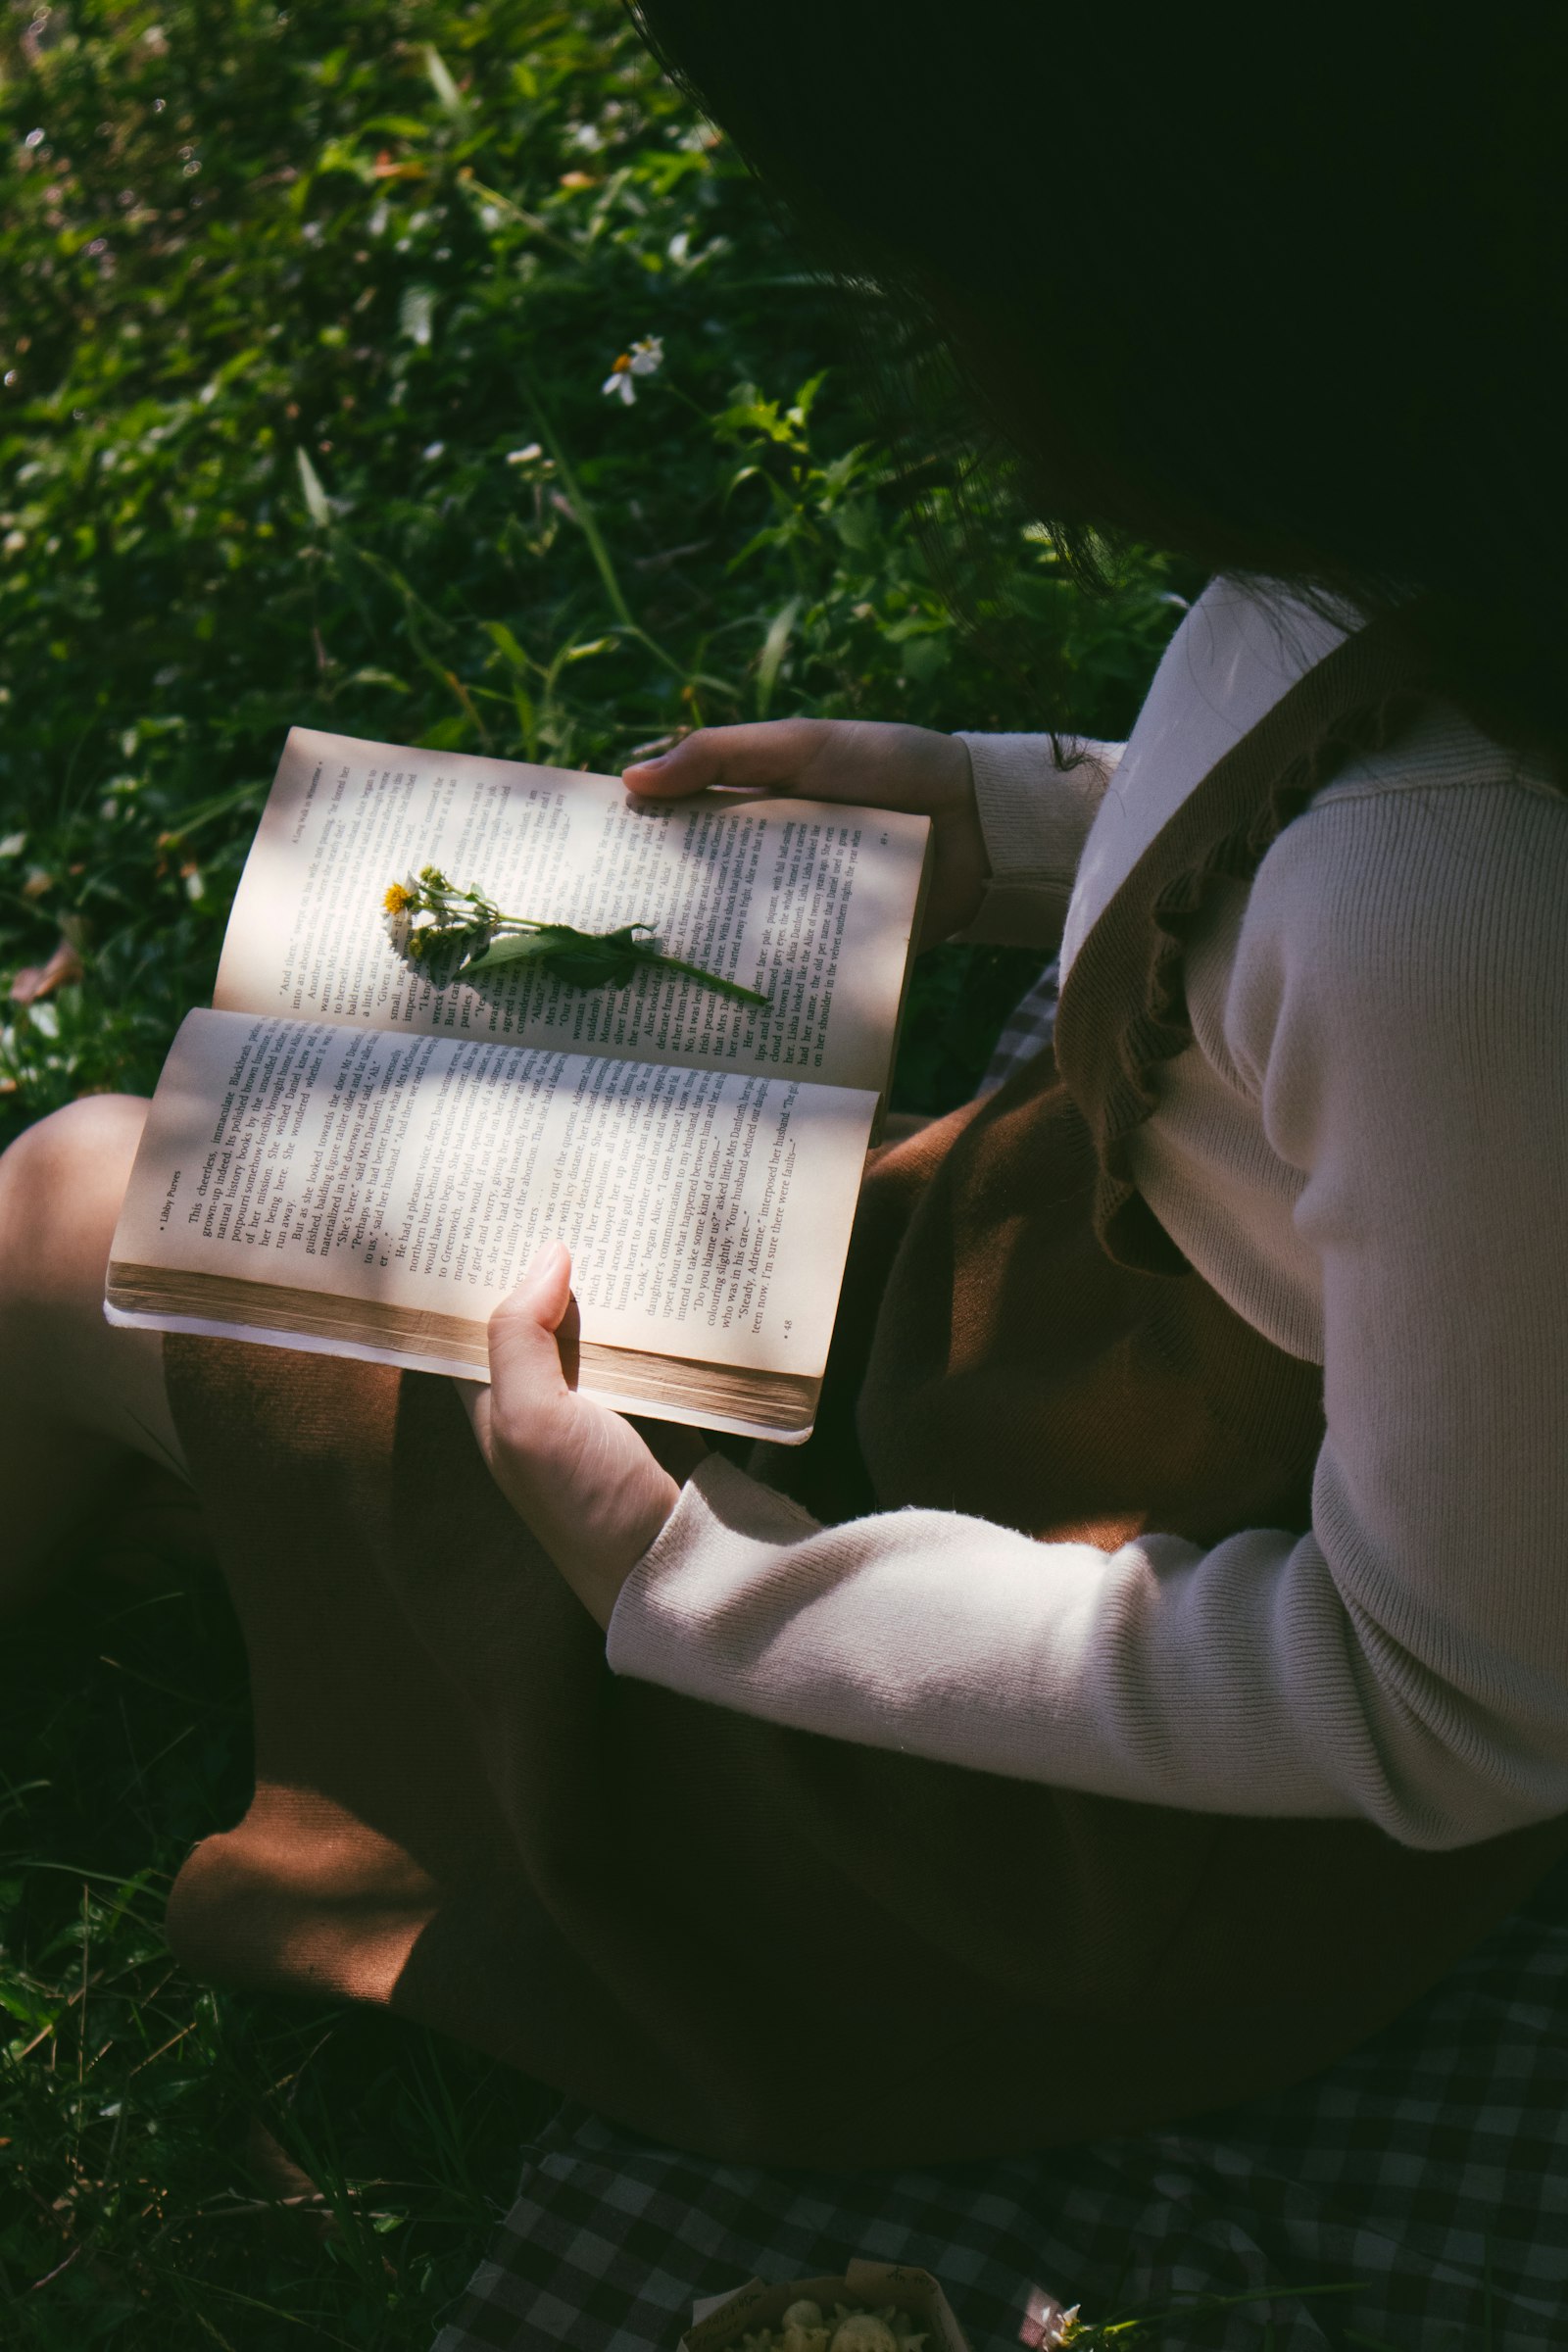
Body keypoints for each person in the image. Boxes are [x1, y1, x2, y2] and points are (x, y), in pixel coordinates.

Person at [3, 1, 1567, 2190]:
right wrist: (992, 828)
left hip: (1033, 1806)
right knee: (273, 1157)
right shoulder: (1479, 518)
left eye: (933, 272)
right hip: (1027, 1361)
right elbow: (1339, 890)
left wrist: (700, 1575)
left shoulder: (1468, 913)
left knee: (69, 1204)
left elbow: (1457, 1699)